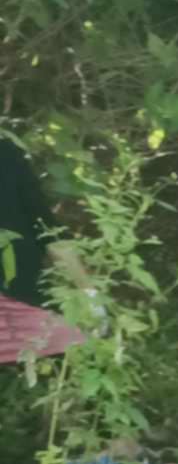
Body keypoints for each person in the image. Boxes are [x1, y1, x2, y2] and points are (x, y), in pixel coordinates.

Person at [0, 138, 85, 366]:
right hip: (16, 310)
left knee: (84, 345)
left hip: (19, 308)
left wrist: (90, 297)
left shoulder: (7, 155)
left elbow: (48, 232)